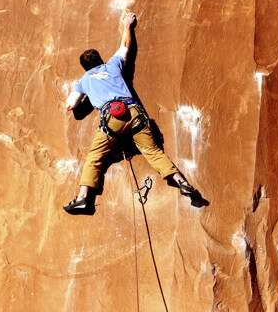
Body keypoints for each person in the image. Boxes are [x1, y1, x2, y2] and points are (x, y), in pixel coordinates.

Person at [63, 12, 196, 212]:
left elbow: (71, 105)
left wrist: (85, 96)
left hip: (112, 120)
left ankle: (83, 197)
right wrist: (127, 25)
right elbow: (125, 46)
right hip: (135, 114)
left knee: (94, 156)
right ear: (100, 59)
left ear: (84, 68)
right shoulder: (112, 65)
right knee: (153, 152)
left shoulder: (83, 81)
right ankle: (182, 182)